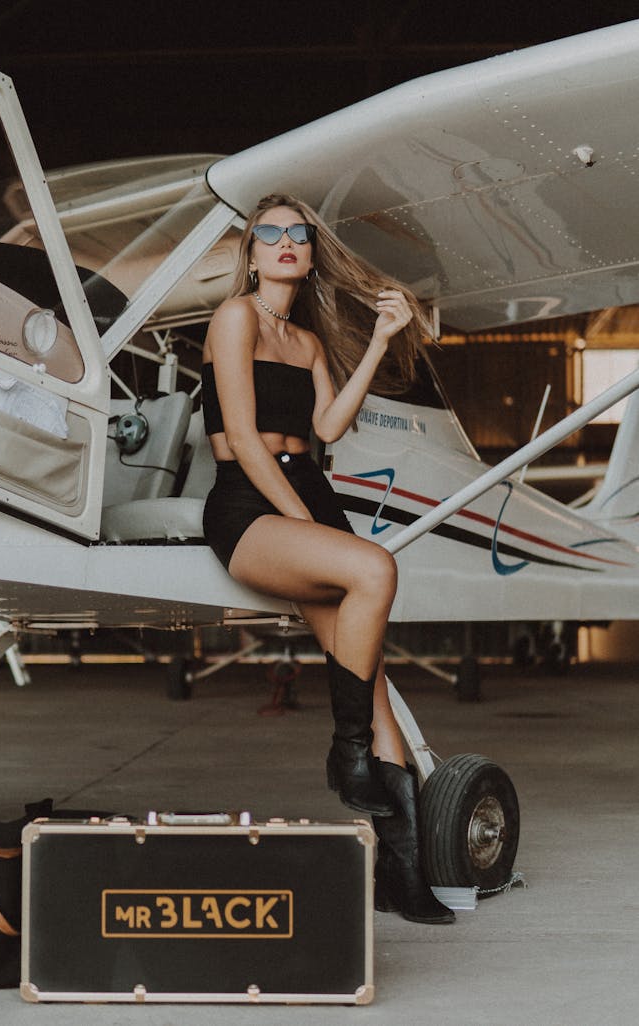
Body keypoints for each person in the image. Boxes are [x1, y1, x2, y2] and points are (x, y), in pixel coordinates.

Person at [201, 193, 453, 925]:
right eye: (269, 233)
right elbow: (245, 442)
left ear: (309, 254)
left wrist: (378, 340)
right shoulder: (235, 318)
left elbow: (328, 427)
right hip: (251, 504)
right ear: (251, 252)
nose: (284, 244)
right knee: (374, 568)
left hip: (311, 498)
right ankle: (346, 754)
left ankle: (404, 879)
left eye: (297, 236)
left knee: (372, 687)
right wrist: (307, 523)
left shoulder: (307, 341)